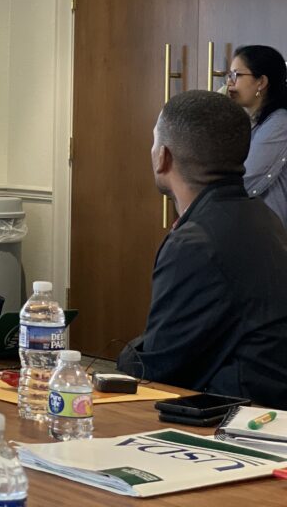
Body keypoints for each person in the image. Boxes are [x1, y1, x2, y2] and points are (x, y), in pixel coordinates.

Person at [117, 90, 287, 407]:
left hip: (235, 423)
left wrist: (125, 357)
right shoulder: (263, 217)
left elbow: (158, 370)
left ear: (162, 157)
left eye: (154, 141)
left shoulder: (197, 242)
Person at [226, 45, 287, 226]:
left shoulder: (280, 123)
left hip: (272, 236)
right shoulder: (252, 121)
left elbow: (245, 180)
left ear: (261, 82)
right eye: (229, 75)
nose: (229, 83)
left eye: (236, 75)